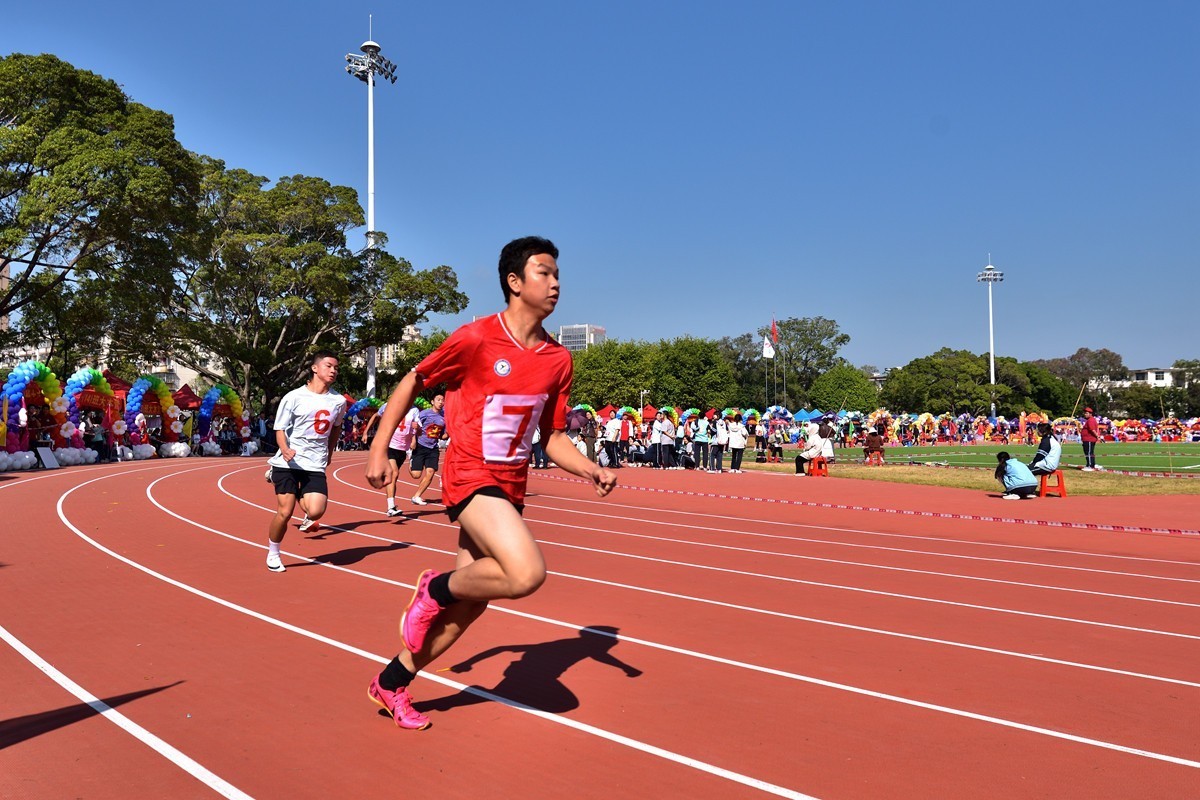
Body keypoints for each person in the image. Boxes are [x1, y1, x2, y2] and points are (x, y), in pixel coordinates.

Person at [363, 236, 617, 730]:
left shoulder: (558, 360)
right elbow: (414, 380)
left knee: (470, 606)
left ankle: (391, 682)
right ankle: (433, 586)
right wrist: (379, 448)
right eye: (544, 273)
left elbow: (555, 437)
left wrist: (591, 468)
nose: (556, 283)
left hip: (510, 485)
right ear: (514, 282)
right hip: (469, 473)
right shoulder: (476, 338)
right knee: (525, 574)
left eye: (558, 274)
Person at [263, 350, 347, 572]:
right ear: (314, 368)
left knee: (316, 511)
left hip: (315, 463)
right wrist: (284, 449)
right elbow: (279, 428)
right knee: (285, 512)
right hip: (288, 463)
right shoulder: (293, 397)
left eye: (336, 368)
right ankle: (274, 552)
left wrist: (330, 452)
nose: (333, 371)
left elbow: (336, 427)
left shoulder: (338, 401)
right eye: (329, 366)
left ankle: (299, 493)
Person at [361, 398, 421, 517]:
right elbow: (375, 416)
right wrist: (365, 432)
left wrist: (417, 430)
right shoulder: (389, 405)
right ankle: (391, 507)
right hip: (389, 444)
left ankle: (390, 504)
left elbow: (418, 431)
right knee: (394, 473)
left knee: (393, 476)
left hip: (403, 448)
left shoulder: (414, 410)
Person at [409, 394, 447, 505]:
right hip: (421, 445)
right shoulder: (424, 414)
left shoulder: (444, 417)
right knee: (416, 475)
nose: (440, 402)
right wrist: (413, 440)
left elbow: (442, 436)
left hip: (433, 448)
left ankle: (416, 496)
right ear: (432, 402)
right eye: (438, 400)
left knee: (430, 472)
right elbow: (413, 425)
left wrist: (449, 433)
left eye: (442, 400)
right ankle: (411, 461)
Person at [1079, 407, 1101, 471]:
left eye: (1086, 413)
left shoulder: (1090, 420)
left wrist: (1097, 436)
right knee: (1089, 452)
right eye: (1085, 413)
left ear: (1090, 414)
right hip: (1087, 439)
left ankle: (1090, 465)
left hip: (1089, 439)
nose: (1085, 414)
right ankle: (1091, 464)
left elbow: (1092, 430)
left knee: (1088, 452)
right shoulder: (1090, 420)